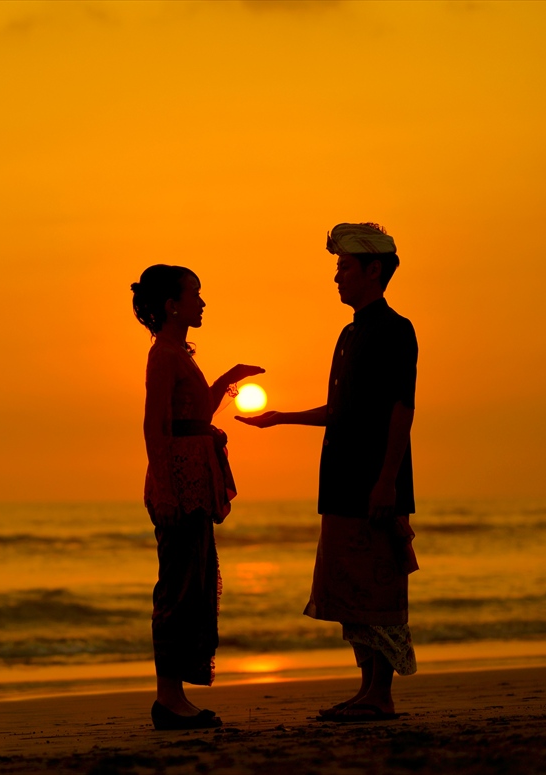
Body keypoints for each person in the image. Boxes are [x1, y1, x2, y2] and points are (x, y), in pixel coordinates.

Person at [236, 222, 419, 722]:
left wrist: (387, 481)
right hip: (340, 479)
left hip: (375, 481)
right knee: (348, 588)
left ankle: (381, 694)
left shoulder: (396, 330)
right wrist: (281, 418)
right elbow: (341, 410)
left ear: (373, 270)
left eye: (344, 268)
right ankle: (366, 690)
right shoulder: (350, 332)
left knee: (377, 585)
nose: (337, 277)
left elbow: (402, 408)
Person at [131, 265, 263, 730]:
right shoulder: (163, 355)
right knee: (178, 588)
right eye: (195, 294)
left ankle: (176, 696)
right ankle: (168, 699)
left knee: (195, 585)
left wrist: (229, 377)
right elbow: (155, 426)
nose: (202, 302)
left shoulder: (178, 354)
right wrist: (166, 490)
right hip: (179, 486)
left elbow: (197, 411)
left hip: (193, 484)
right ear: (172, 305)